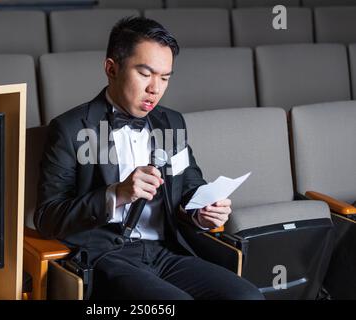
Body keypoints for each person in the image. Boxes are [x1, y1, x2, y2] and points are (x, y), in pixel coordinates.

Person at [35, 16, 264, 300]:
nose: (155, 88)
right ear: (111, 68)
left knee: (247, 297)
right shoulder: (71, 128)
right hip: (105, 258)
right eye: (145, 74)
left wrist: (202, 213)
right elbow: (47, 217)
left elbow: (190, 186)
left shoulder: (171, 123)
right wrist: (116, 193)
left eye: (164, 78)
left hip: (166, 252)